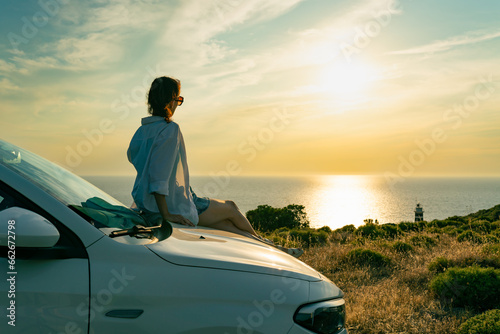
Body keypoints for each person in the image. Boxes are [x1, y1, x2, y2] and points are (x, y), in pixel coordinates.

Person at [127, 76, 303, 258]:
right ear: (170, 99)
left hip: (148, 203)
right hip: (174, 205)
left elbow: (135, 158)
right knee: (231, 208)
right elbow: (159, 178)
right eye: (178, 100)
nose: (177, 105)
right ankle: (276, 249)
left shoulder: (141, 132)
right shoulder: (169, 130)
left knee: (228, 227)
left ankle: (276, 250)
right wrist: (167, 214)